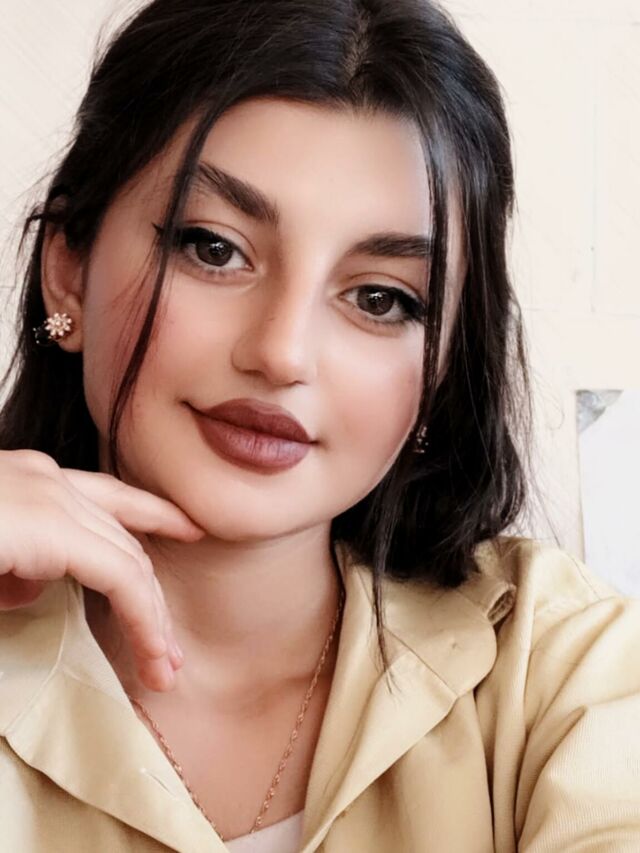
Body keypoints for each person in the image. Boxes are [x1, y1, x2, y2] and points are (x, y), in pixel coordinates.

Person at [0, 0, 638, 851]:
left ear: (442, 365)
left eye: (380, 298)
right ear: (67, 272)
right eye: (214, 248)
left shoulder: (563, 667)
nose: (282, 353)